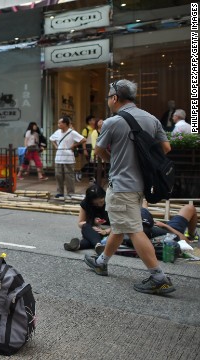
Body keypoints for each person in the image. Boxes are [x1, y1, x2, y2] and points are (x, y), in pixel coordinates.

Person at [84, 79, 175, 295]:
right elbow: (166, 147)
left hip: (122, 184)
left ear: (114, 98)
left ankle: (158, 278)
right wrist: (142, 162)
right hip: (140, 185)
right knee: (120, 225)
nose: (108, 100)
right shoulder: (151, 119)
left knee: (133, 229)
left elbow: (98, 151)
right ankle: (101, 261)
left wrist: (117, 159)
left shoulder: (112, 122)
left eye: (108, 96)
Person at [64, 184, 111, 251]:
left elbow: (120, 225)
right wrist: (93, 223)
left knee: (91, 238)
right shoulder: (86, 203)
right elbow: (80, 223)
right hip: (94, 231)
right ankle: (98, 245)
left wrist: (106, 231)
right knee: (85, 226)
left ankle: (78, 245)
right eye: (96, 204)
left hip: (111, 231)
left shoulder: (111, 202)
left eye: (101, 202)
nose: (100, 205)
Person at [49, 116, 86, 199]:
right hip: (58, 157)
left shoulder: (72, 132)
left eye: (60, 123)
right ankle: (60, 192)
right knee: (58, 176)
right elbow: (51, 138)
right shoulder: (58, 132)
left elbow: (83, 139)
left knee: (69, 176)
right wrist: (56, 146)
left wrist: (74, 145)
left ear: (65, 124)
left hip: (68, 158)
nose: (58, 124)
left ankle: (70, 193)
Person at [79, 115, 98, 182]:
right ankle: (87, 175)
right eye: (92, 120)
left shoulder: (95, 129)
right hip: (88, 147)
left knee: (93, 162)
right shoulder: (86, 130)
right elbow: (83, 141)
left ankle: (92, 176)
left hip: (94, 147)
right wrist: (85, 150)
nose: (94, 121)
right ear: (89, 121)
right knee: (91, 163)